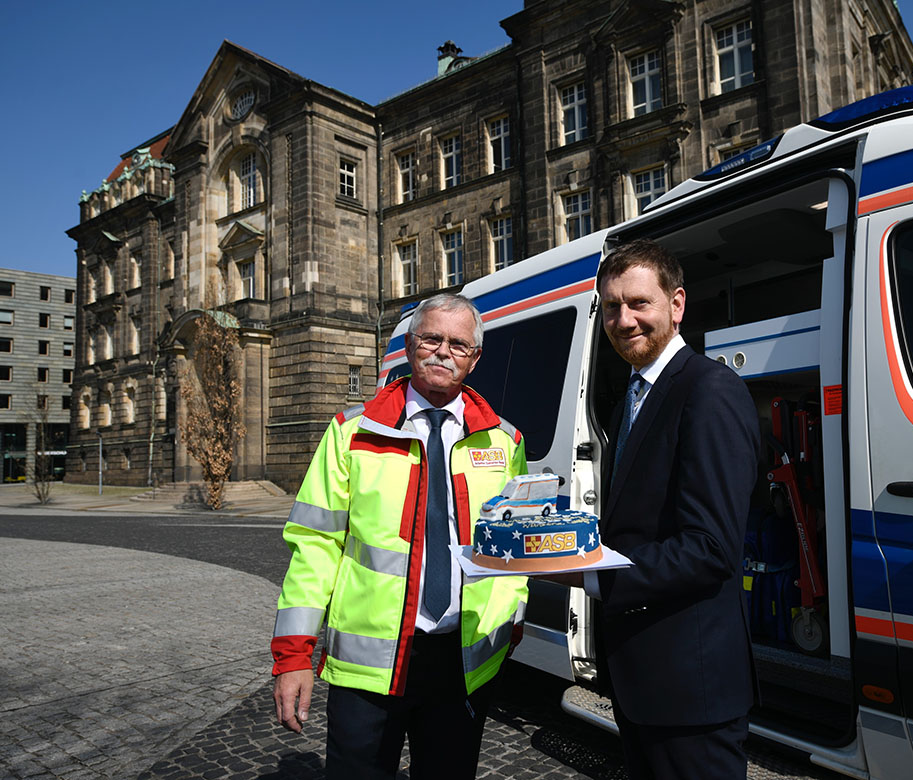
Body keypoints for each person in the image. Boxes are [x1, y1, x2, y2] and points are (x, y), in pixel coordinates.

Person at [270, 293, 528, 779]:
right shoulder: (351, 434)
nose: (442, 351)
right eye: (431, 338)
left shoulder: (504, 441)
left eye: (458, 343)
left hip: (462, 664)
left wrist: (510, 618)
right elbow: (315, 548)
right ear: (410, 346)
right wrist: (292, 656)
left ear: (474, 359)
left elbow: (510, 549)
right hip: (370, 667)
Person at [541, 239, 760, 778]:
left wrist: (592, 574)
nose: (624, 319)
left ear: (676, 305)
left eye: (639, 303)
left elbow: (710, 550)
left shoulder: (709, 391)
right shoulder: (629, 399)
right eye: (612, 306)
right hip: (643, 679)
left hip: (691, 686)